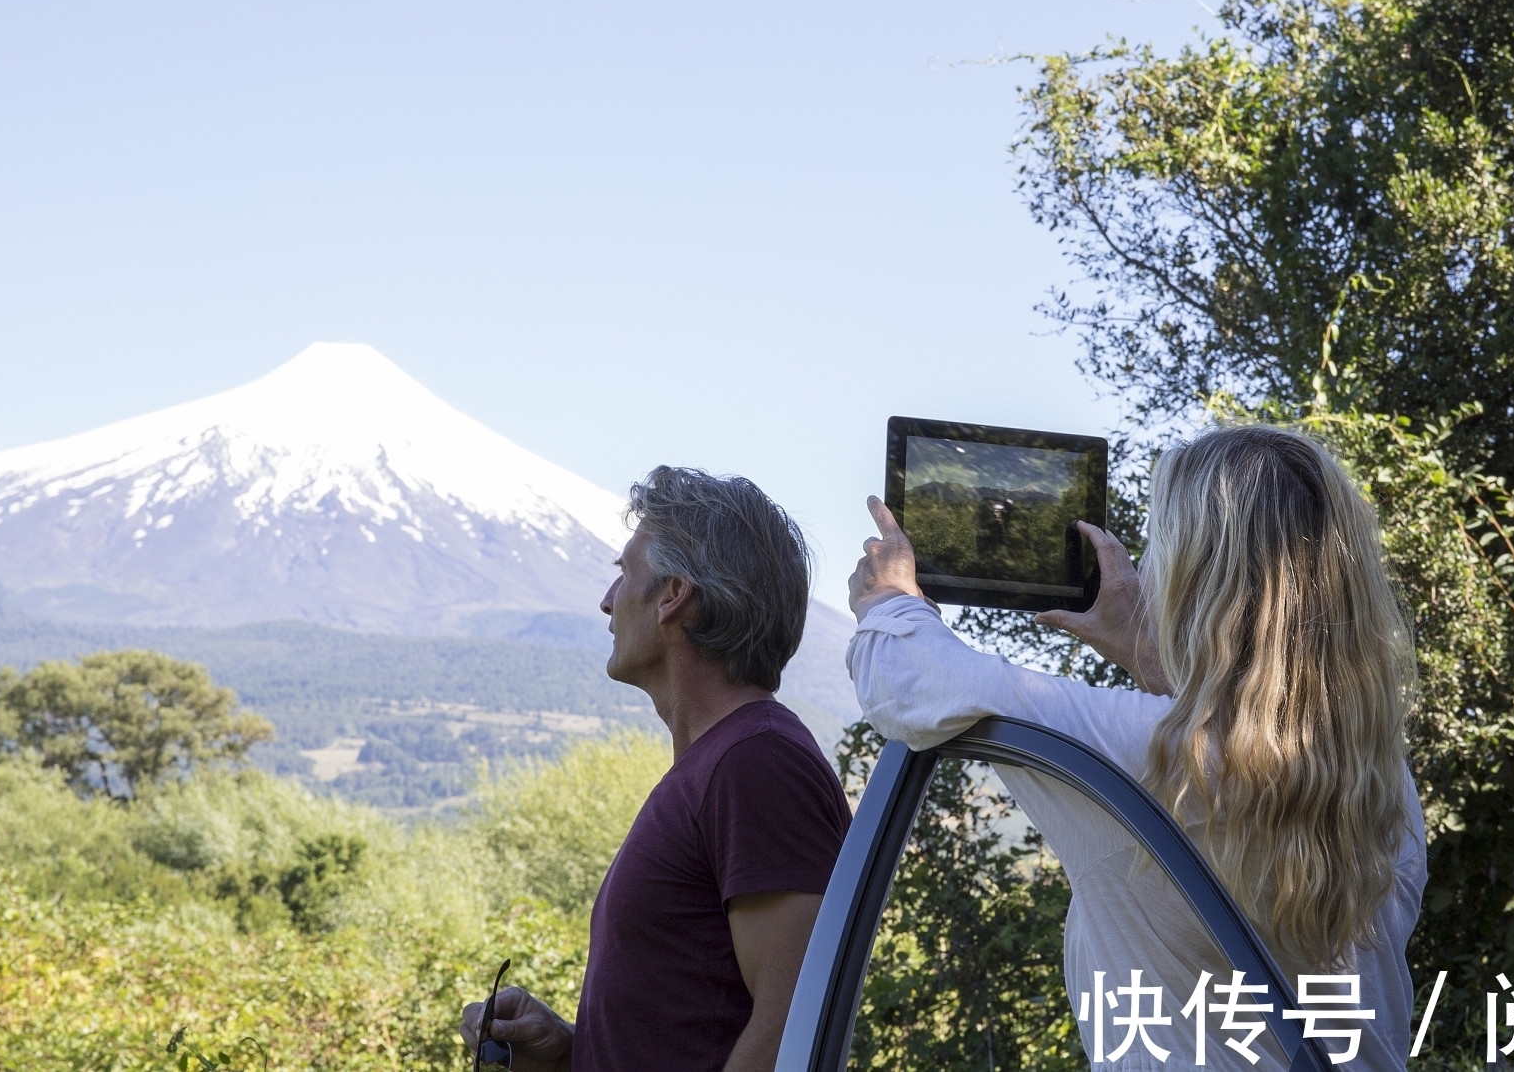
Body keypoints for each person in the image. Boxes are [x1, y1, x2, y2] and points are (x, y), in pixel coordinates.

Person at [848, 424, 1425, 1072]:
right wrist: (1144, 650)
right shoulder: (1380, 779)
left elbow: (906, 682)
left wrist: (890, 599)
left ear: (1197, 585)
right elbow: (1240, 732)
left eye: (1161, 549)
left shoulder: (1134, 757)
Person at [462, 466, 851, 1072]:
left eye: (623, 575)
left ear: (673, 594)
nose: (607, 601)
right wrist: (565, 1051)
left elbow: (789, 1034)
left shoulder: (756, 764)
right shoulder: (717, 764)